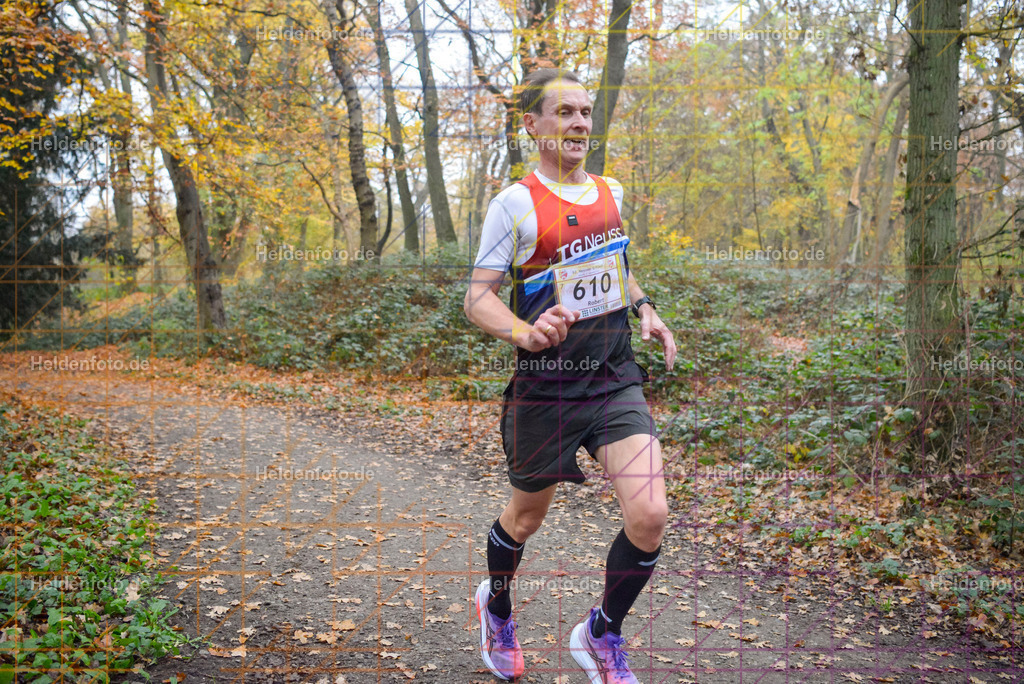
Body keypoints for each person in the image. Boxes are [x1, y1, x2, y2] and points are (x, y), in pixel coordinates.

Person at [464, 68, 677, 683]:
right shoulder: (514, 204)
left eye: (585, 112)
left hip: (613, 378)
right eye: (564, 112)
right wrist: (524, 332)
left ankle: (601, 633)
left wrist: (646, 309)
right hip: (547, 388)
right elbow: (478, 298)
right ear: (533, 124)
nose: (580, 123)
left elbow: (617, 267)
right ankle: (496, 606)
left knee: (651, 513)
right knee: (526, 518)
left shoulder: (610, 190)